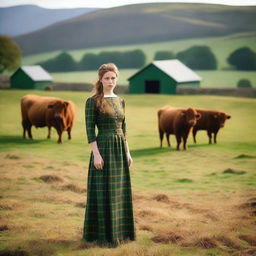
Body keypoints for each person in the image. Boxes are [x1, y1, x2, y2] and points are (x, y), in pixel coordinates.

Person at [83, 63, 135, 246]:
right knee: (103, 192)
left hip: (120, 150)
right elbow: (90, 131)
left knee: (119, 192)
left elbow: (124, 129)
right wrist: (96, 155)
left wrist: (128, 152)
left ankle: (121, 233)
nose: (110, 81)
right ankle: (102, 235)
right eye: (107, 78)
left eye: (113, 78)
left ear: (117, 79)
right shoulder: (92, 101)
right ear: (101, 79)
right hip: (103, 148)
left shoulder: (120, 100)